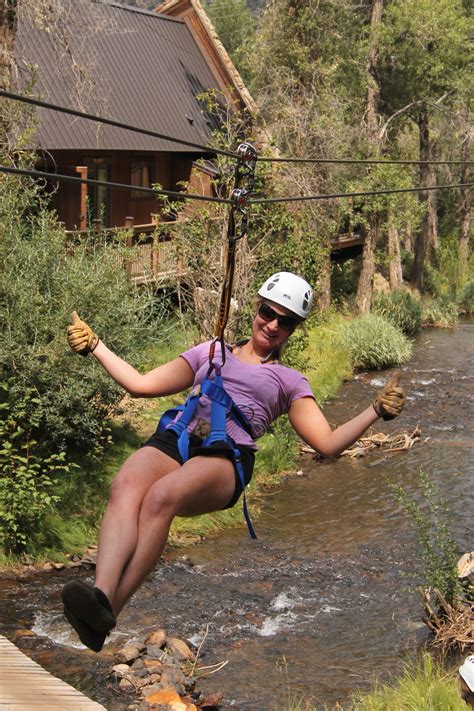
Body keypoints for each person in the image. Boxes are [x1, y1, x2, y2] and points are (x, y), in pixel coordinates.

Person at [61, 271, 405, 652]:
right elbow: (141, 384)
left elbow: (326, 444)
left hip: (226, 454)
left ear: (294, 329)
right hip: (181, 435)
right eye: (267, 312)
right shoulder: (211, 351)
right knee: (125, 485)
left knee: (162, 497)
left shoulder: (289, 381)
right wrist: (96, 345)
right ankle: (100, 599)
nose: (272, 325)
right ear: (256, 309)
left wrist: (374, 410)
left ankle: (110, 612)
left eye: (285, 321)